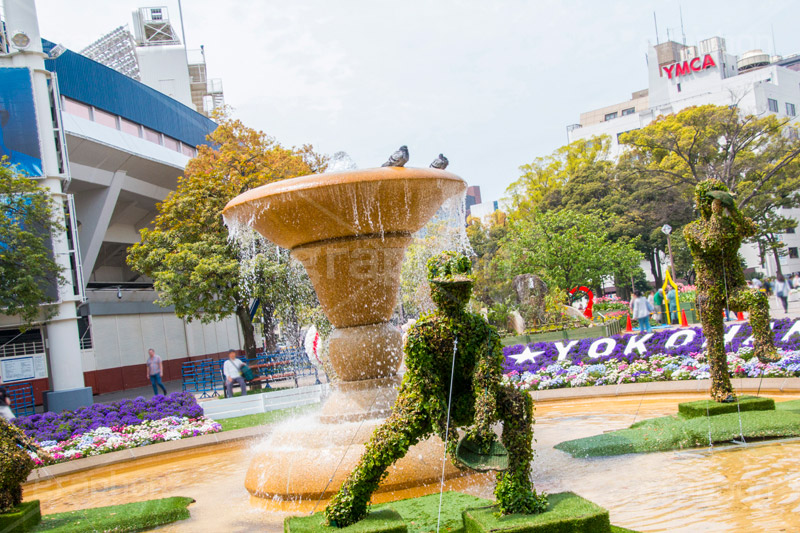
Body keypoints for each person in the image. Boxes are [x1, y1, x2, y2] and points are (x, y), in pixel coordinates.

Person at [324, 252, 546, 527]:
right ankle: (351, 500)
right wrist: (451, 439)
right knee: (387, 442)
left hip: (463, 400)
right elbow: (430, 391)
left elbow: (485, 382)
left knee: (517, 402)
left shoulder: (482, 331)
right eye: (448, 288)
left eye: (461, 287)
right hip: (420, 406)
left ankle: (515, 491)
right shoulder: (420, 334)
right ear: (434, 291)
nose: (455, 294)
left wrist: (481, 427)